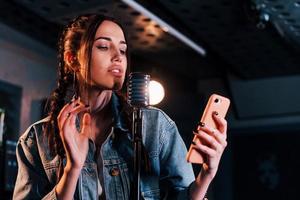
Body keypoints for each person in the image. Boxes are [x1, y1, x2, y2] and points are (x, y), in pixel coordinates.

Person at [13, 14, 228, 200]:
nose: (118, 58)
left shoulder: (155, 126)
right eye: (104, 47)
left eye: (123, 50)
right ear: (73, 60)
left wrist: (207, 174)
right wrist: (72, 170)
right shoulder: (36, 141)